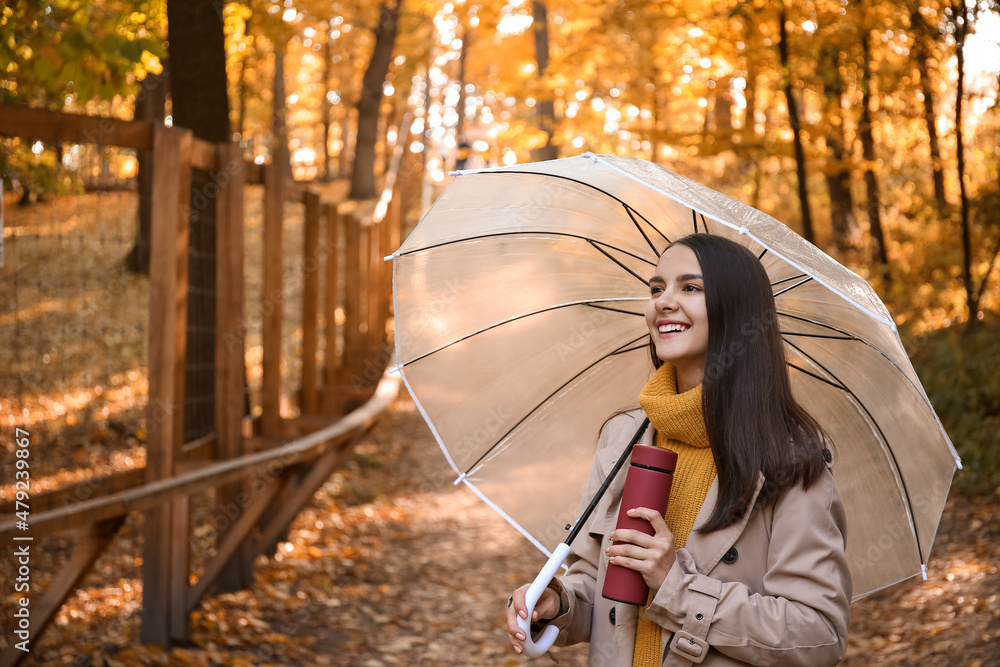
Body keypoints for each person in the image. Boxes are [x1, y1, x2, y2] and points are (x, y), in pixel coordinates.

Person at [506, 233, 851, 666]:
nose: (662, 302)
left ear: (737, 313)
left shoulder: (789, 457)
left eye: (690, 288)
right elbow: (599, 587)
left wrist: (676, 585)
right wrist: (558, 603)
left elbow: (818, 635)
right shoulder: (625, 436)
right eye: (656, 288)